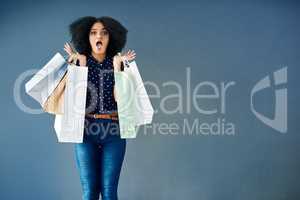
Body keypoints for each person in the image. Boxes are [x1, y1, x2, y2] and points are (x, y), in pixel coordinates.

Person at [63, 16, 136, 200]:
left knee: (109, 191)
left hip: (113, 132)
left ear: (111, 38)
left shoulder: (118, 62)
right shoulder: (79, 61)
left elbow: (120, 99)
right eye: (94, 33)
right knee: (90, 191)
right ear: (86, 38)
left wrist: (118, 68)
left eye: (104, 33)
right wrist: (79, 66)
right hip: (85, 132)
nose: (99, 37)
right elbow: (73, 100)